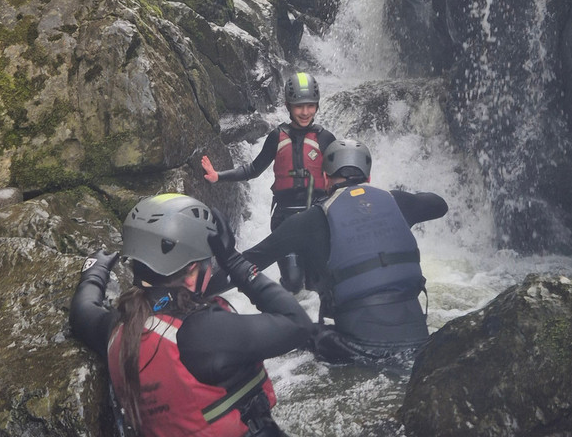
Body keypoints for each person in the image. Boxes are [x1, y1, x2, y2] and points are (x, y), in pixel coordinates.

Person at [69, 193, 313, 436]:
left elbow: (82, 311)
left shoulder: (117, 327)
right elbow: (299, 324)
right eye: (209, 263)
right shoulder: (208, 332)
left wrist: (95, 269)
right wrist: (234, 261)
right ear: (192, 272)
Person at [222, 139, 448, 367]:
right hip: (418, 343)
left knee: (303, 338)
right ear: (368, 177)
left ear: (325, 178)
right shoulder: (397, 202)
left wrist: (197, 291)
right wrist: (401, 197)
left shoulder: (309, 221)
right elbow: (439, 205)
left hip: (357, 349)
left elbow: (245, 263)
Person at [201, 71, 337, 292]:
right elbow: (253, 169)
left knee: (318, 284)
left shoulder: (326, 139)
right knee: (293, 282)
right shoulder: (277, 136)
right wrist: (219, 176)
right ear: (288, 106)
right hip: (286, 219)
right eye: (299, 106)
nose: (305, 112)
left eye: (310, 106)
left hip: (316, 218)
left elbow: (339, 177)